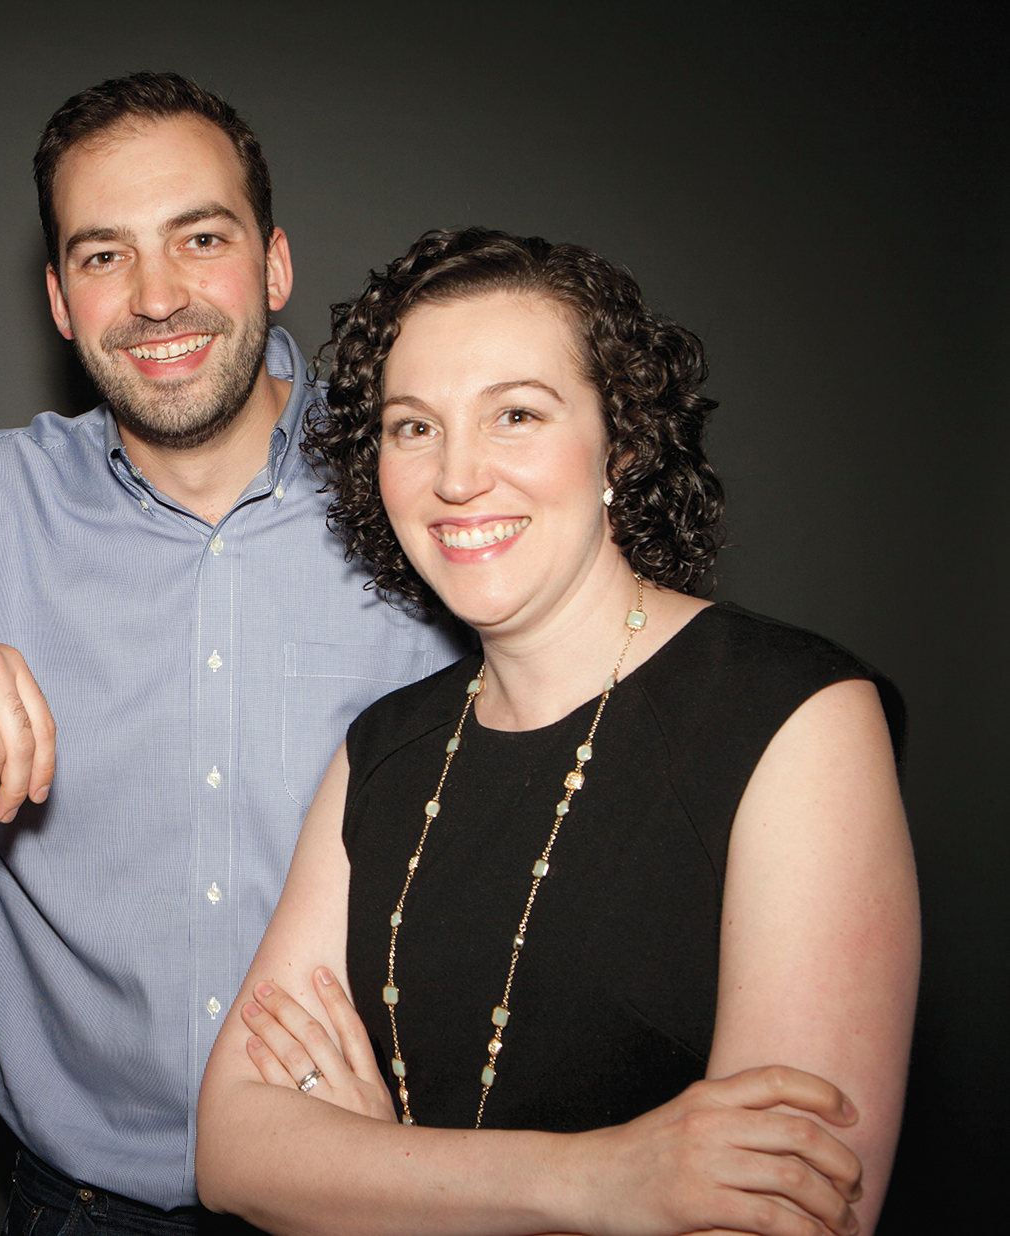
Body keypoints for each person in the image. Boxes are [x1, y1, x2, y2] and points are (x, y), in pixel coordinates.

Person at [0, 74, 464, 1227]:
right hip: (84, 1207)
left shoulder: (426, 482)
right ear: (61, 301)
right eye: (103, 255)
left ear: (273, 265)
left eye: (198, 239)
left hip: (382, 1186)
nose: (156, 297)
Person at [194, 228, 918, 1235]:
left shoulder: (795, 718)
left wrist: (379, 1182)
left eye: (517, 415)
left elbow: (786, 1214)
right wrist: (603, 1181)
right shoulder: (382, 750)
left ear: (620, 439)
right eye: (412, 428)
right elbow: (231, 1151)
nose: (456, 477)